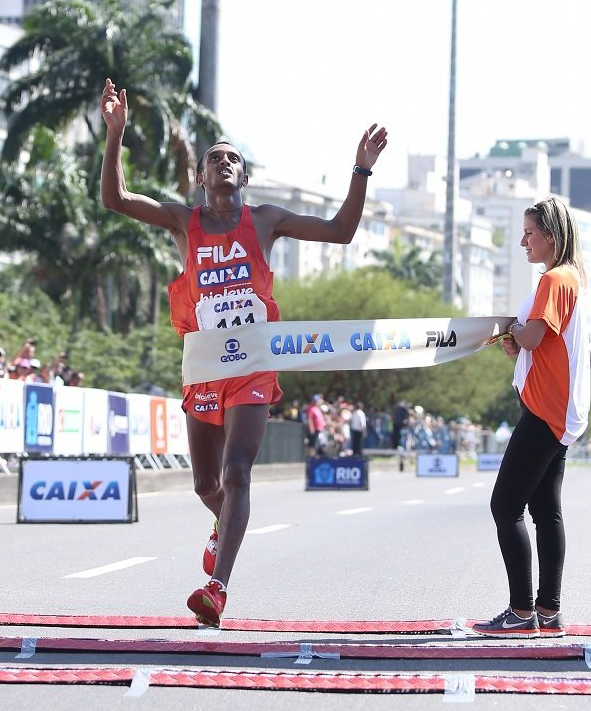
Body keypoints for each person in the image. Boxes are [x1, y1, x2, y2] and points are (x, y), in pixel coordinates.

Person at [100, 78, 387, 626]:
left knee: (236, 472)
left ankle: (217, 587)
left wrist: (361, 170)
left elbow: (342, 231)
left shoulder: (266, 220)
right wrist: (116, 133)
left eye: (233, 158)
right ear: (201, 176)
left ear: (244, 176)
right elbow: (115, 199)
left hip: (253, 362)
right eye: (215, 158)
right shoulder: (183, 222)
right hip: (204, 362)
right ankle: (224, 524)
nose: (224, 163)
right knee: (206, 484)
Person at [473, 197, 590, 639]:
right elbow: (539, 341)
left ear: (551, 236)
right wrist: (518, 341)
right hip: (554, 406)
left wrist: (516, 335)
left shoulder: (556, 278)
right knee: (545, 511)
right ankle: (548, 611)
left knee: (505, 505)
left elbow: (536, 334)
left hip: (546, 409)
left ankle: (522, 612)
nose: (523, 241)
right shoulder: (565, 278)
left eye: (529, 233)